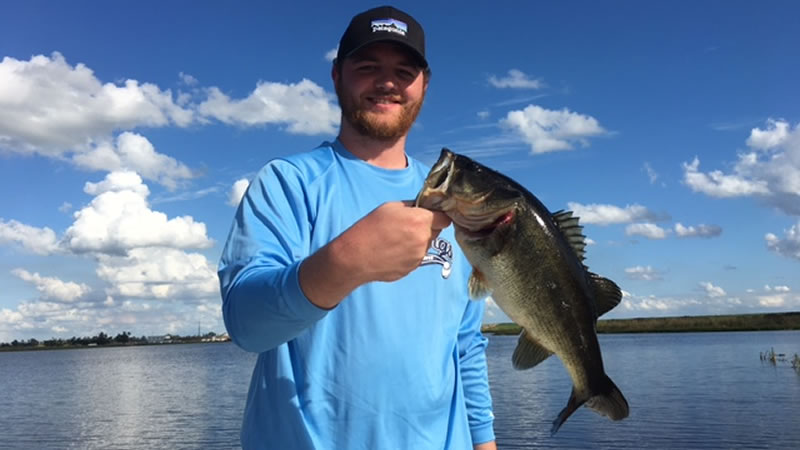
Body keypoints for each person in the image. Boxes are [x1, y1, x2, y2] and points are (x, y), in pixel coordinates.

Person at [218, 5, 496, 449]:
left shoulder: (455, 199)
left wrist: (483, 440)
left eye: (403, 71)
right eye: (368, 67)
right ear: (336, 76)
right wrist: (346, 261)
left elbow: (464, 344)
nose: (386, 82)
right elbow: (246, 325)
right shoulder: (289, 183)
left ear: (424, 85)